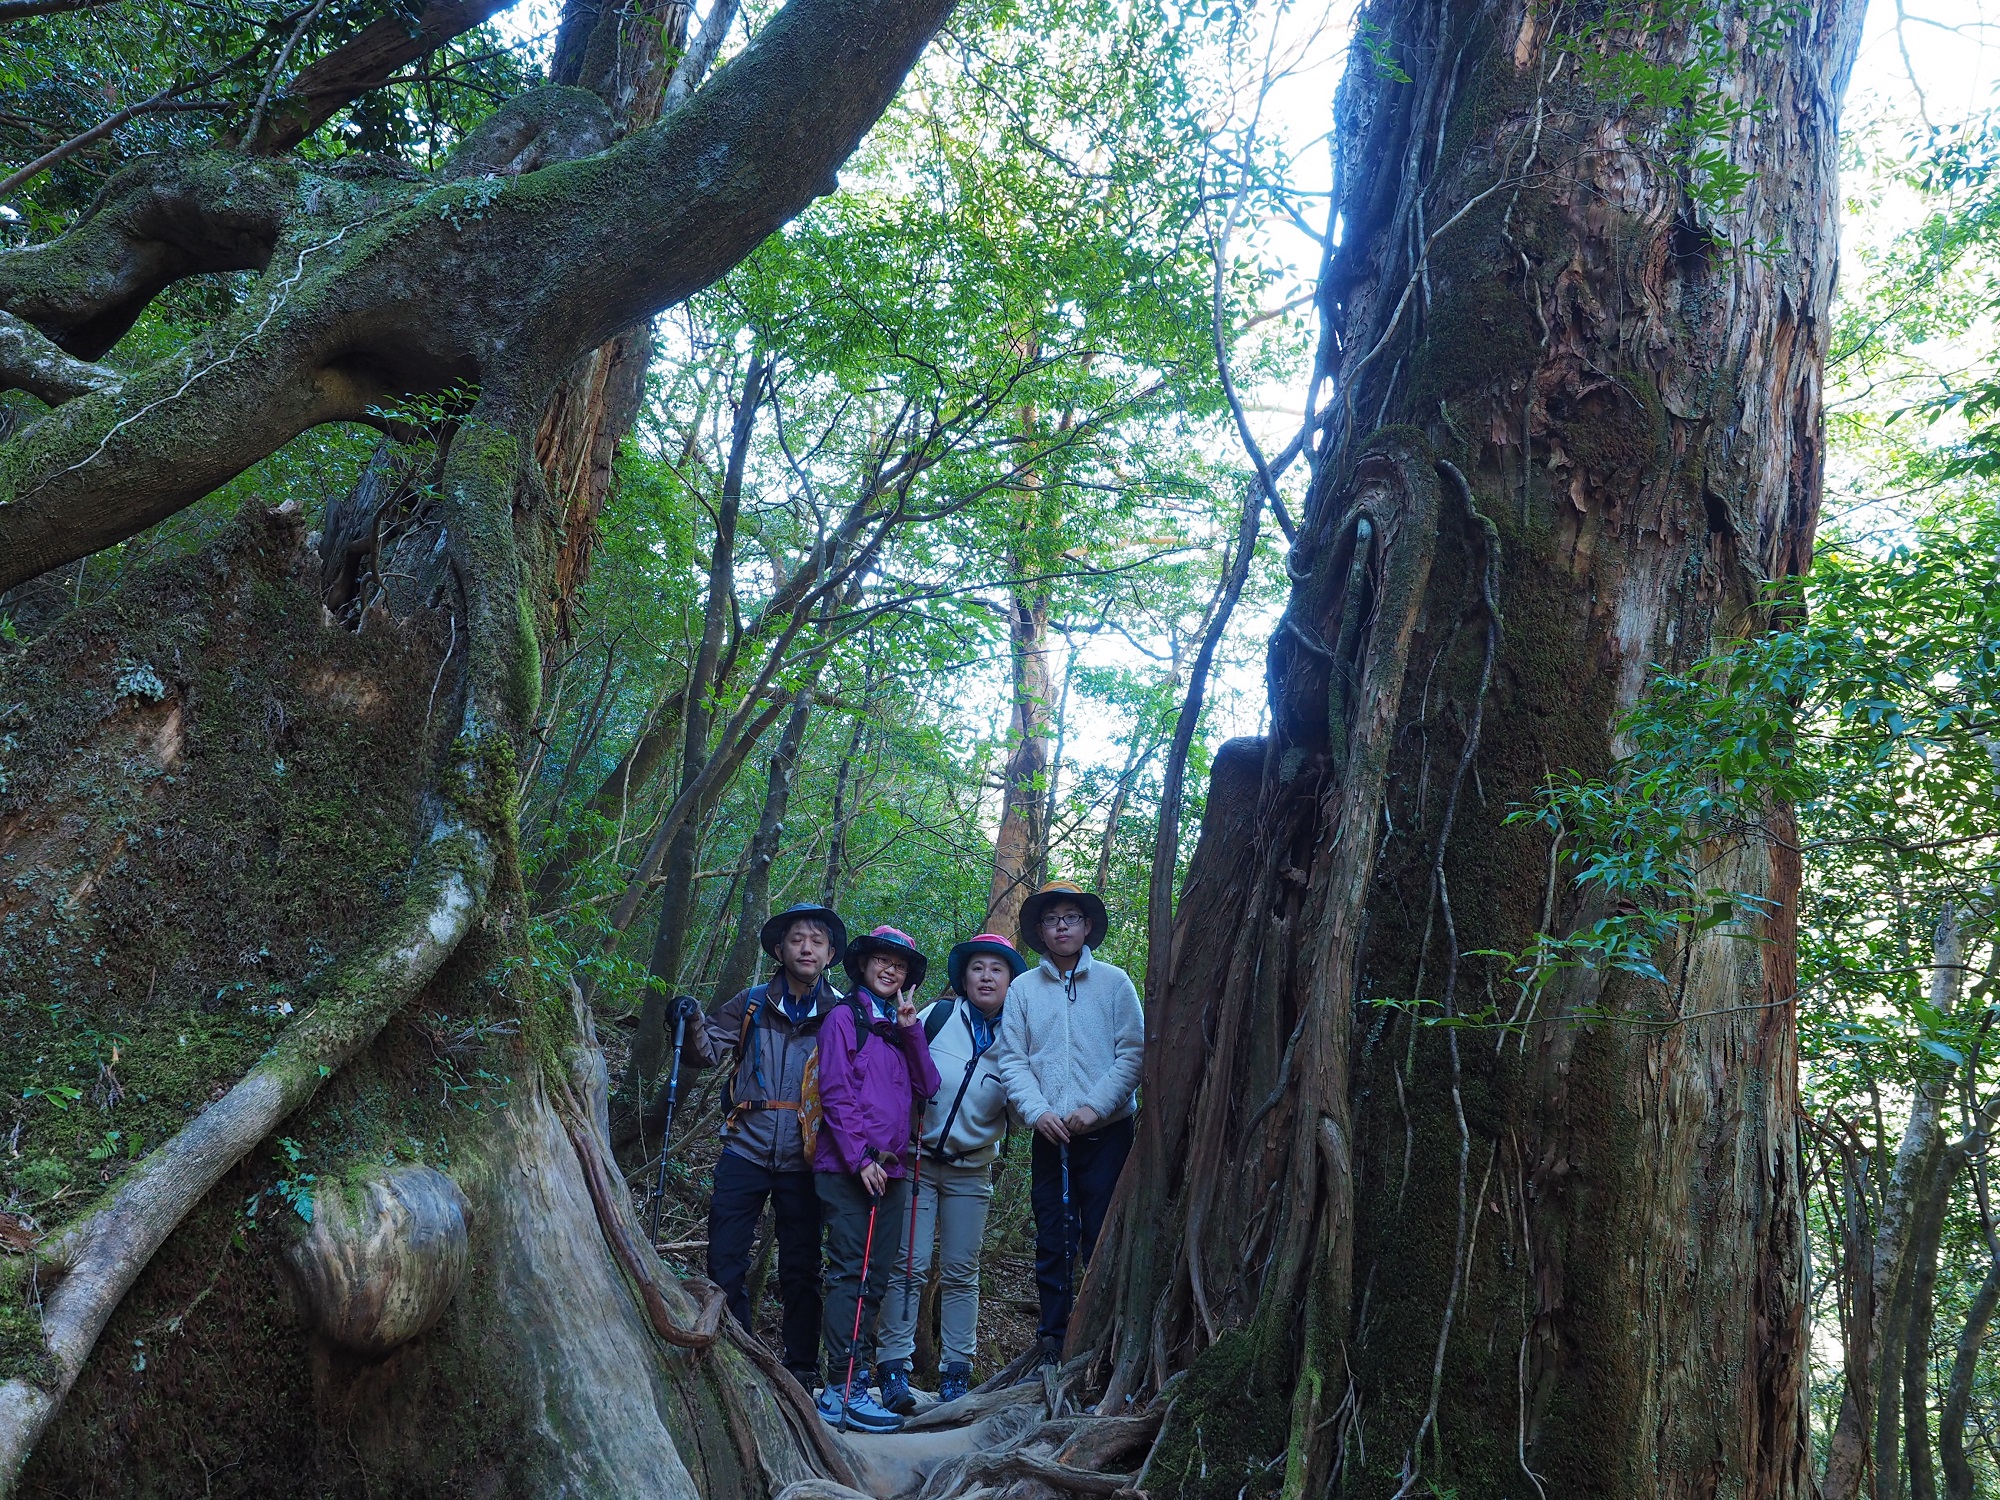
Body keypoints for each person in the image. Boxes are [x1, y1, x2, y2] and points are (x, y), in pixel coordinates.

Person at [679, 902, 847, 1394]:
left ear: (830, 954)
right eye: (797, 940)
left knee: (802, 1268)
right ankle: (736, 1356)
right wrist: (687, 1018)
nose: (806, 948)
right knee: (725, 1259)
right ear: (780, 950)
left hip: (806, 1158)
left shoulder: (840, 1013)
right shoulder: (751, 1002)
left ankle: (801, 1370)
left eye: (817, 941)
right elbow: (705, 1052)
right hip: (744, 1149)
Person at [874, 932, 1029, 1411]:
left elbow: (1022, 1114)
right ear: (964, 976)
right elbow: (894, 1073)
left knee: (962, 1271)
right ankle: (893, 1369)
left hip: (972, 1170)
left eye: (997, 969)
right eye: (977, 967)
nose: (986, 977)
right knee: (909, 1265)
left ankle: (957, 1372)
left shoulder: (1018, 1038)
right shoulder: (936, 1017)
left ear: (1011, 982)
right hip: (916, 1162)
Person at [995, 880, 1143, 1377]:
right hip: (1049, 1134)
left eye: (1071, 917)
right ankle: (1053, 1341)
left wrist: (1095, 1107)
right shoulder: (1023, 989)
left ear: (1087, 926)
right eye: (1052, 919)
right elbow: (1012, 1060)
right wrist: (1039, 1112)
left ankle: (1104, 1339)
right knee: (1053, 1237)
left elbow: (1132, 1053)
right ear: (1040, 930)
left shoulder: (1115, 983)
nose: (1062, 927)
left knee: (1103, 1236)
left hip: (1108, 1136)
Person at [814, 925, 941, 1433]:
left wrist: (911, 1030)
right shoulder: (844, 1018)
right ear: (864, 965)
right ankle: (839, 1390)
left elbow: (928, 1086)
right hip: (852, 1169)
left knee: (876, 1278)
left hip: (892, 1170)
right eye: (882, 961)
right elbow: (835, 1092)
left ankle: (854, 1381)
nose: (891, 970)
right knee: (852, 1273)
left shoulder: (895, 1027)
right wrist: (861, 1157)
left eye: (900, 965)